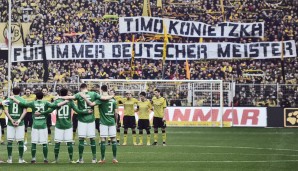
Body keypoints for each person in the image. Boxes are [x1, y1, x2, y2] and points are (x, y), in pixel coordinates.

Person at [10, 91, 68, 163]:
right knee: (44, 143)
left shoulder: (32, 103)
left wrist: (13, 98)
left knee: (33, 143)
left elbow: (22, 104)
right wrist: (65, 101)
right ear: (42, 96)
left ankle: (33, 158)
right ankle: (45, 159)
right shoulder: (46, 103)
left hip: (35, 125)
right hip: (43, 125)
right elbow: (55, 105)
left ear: (36, 97)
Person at [60, 83, 112, 163]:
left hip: (82, 120)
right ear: (86, 87)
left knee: (81, 139)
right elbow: (104, 98)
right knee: (92, 139)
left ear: (80, 88)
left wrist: (59, 97)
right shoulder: (94, 94)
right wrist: (112, 96)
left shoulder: (79, 94)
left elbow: (70, 97)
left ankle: (81, 159)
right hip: (91, 119)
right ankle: (94, 158)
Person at [47, 88, 93, 163]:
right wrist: (86, 111)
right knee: (69, 143)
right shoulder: (70, 101)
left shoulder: (57, 101)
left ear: (60, 93)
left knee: (57, 143)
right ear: (67, 93)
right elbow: (78, 111)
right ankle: (71, 159)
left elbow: (50, 110)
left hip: (59, 125)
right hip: (68, 125)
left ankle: (56, 159)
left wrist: (43, 113)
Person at [81, 85, 118, 164]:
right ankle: (114, 158)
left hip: (103, 122)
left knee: (103, 140)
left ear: (101, 90)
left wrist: (84, 97)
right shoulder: (113, 100)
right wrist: (116, 122)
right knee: (113, 140)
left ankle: (102, 158)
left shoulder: (100, 100)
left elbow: (91, 104)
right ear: (107, 90)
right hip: (112, 122)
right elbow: (116, 113)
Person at [4, 87, 27, 163]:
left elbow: (6, 111)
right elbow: (25, 111)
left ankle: (9, 159)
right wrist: (19, 120)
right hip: (20, 123)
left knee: (10, 141)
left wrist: (11, 120)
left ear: (12, 92)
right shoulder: (22, 100)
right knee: (20, 141)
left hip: (11, 123)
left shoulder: (8, 100)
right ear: (20, 92)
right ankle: (20, 159)